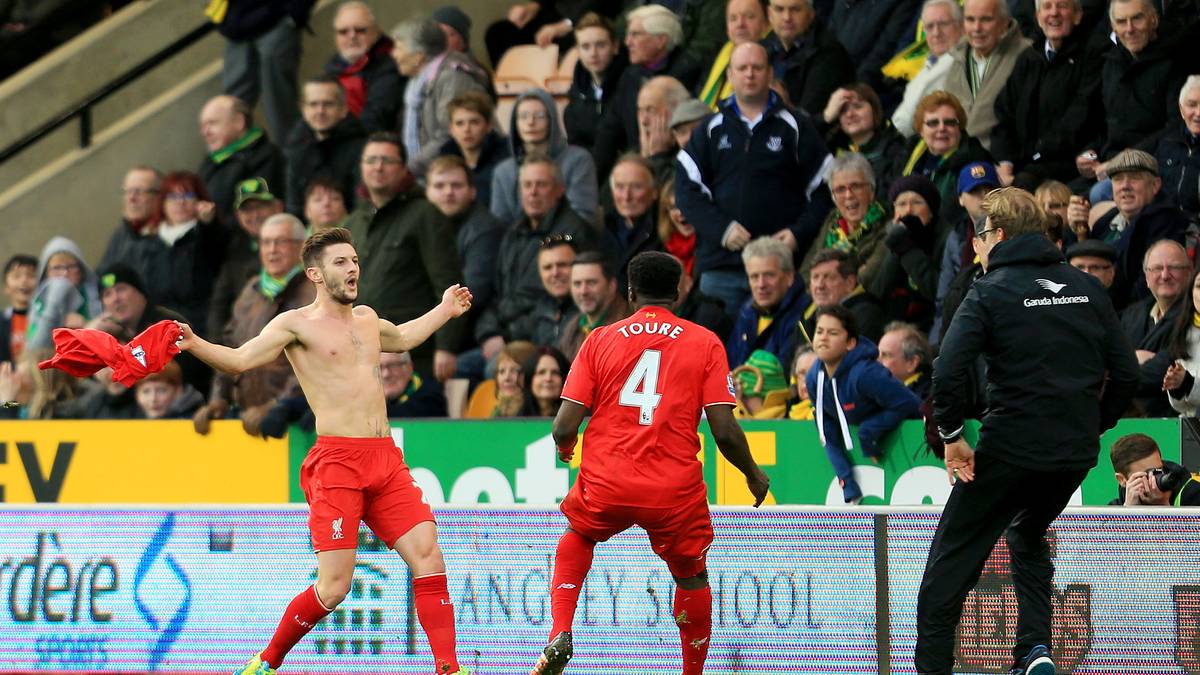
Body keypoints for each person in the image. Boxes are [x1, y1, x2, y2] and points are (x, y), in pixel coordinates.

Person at [178, 227, 473, 675]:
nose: (353, 269)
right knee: (334, 588)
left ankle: (450, 670)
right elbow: (239, 360)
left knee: (428, 555)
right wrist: (195, 343)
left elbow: (407, 337)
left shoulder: (368, 319)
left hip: (385, 461)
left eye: (354, 260)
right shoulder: (293, 324)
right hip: (337, 464)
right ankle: (266, 662)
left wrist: (446, 309)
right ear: (315, 273)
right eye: (341, 262)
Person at [919, 187, 1138, 675]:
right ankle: (1034, 651)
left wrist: (953, 437)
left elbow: (947, 371)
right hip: (1072, 456)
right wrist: (1092, 425)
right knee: (1029, 532)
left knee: (944, 577)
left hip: (1011, 448)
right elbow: (1126, 374)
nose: (974, 247)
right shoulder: (1087, 287)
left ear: (995, 235)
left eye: (977, 238)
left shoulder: (989, 290)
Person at [533, 250, 770, 675]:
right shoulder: (705, 342)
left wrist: (566, 447)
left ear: (629, 292)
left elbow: (564, 423)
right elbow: (724, 429)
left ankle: (560, 630)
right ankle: (691, 671)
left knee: (579, 534)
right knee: (691, 574)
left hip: (608, 479)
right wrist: (753, 475)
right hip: (672, 489)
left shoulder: (600, 339)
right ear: (677, 292)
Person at [676, 42, 833, 317]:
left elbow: (825, 186)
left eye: (757, 67)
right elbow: (686, 190)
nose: (750, 74)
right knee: (716, 354)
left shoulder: (795, 126)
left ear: (770, 73)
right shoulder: (710, 129)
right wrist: (722, 229)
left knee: (771, 355)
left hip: (778, 268)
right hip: (721, 268)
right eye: (742, 68)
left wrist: (798, 233)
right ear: (730, 76)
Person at [345, 132, 466, 381]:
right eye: (371, 160)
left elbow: (447, 282)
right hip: (359, 352)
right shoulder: (354, 221)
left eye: (387, 161)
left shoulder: (425, 215)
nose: (378, 167)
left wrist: (447, 347)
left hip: (414, 354)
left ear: (403, 169)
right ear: (361, 167)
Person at [194, 214, 316, 437]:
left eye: (281, 241)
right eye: (266, 242)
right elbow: (230, 346)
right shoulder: (251, 291)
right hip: (246, 418)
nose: (272, 249)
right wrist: (219, 399)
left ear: (302, 247)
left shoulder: (315, 292)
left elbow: (316, 360)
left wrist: (278, 405)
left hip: (295, 424)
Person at [808, 305, 921, 503]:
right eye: (819, 331)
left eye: (832, 333)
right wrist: (847, 481)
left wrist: (869, 431)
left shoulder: (866, 374)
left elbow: (911, 404)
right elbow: (826, 431)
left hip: (914, 450)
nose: (823, 338)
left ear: (850, 343)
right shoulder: (813, 378)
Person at [990, 0, 1102, 190]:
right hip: (1024, 163)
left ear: (1078, 15)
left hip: (1068, 163)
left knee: (1020, 190)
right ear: (1038, 17)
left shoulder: (1094, 53)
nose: (1054, 13)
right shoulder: (1030, 56)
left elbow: (1080, 118)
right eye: (1047, 7)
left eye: (1062, 6)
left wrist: (1036, 155)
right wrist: (1005, 163)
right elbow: (1004, 115)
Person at [390, 17, 490, 177]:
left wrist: (410, 169)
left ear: (419, 56)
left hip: (455, 175)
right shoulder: (417, 83)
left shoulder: (453, 78)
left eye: (398, 48)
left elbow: (449, 134)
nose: (393, 55)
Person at [1090, 149, 1189, 303]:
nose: (1125, 186)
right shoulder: (1105, 222)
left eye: (1134, 178)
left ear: (1155, 185)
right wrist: (1078, 234)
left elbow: (1147, 288)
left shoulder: (1166, 221)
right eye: (1118, 179)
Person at [490, 88, 600, 226]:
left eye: (540, 115)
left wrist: (546, 244)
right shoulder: (503, 171)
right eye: (523, 116)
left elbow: (583, 217)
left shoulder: (578, 160)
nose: (530, 122)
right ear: (515, 123)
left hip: (568, 242)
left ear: (552, 119)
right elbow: (500, 226)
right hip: (520, 246)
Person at [940, 0, 1032, 151]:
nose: (977, 28)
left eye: (986, 19)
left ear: (1004, 22)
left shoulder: (1027, 55)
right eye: (970, 19)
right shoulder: (956, 60)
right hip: (956, 157)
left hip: (1003, 160)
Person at [215, 0, 312, 141]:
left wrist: (296, 13)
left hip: (276, 21)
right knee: (228, 110)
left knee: (279, 108)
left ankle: (295, 159)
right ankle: (228, 161)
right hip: (236, 30)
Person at [901, 91, 994, 227]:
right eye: (933, 123)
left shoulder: (973, 162)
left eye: (950, 122)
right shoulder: (911, 153)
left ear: (960, 127)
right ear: (920, 129)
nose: (942, 128)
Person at [208, 177, 286, 340]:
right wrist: (217, 352)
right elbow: (219, 306)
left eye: (260, 206)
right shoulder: (235, 252)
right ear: (238, 216)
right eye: (247, 210)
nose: (255, 215)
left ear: (278, 207)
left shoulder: (297, 243)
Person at [283, 74, 367, 216]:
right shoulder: (294, 149)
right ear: (303, 110)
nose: (320, 111)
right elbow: (293, 207)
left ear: (344, 109)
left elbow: (361, 207)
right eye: (313, 104)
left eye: (328, 104)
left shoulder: (363, 149)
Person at [197, 94, 285, 224]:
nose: (205, 132)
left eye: (212, 123)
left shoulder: (266, 157)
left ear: (239, 122)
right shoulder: (210, 163)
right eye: (202, 126)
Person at [761, 0, 855, 117]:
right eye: (779, 9)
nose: (787, 17)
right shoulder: (762, 48)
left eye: (795, 10)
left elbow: (809, 118)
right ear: (769, 14)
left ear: (811, 13)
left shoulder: (829, 54)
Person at [728, 236, 807, 369]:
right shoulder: (746, 312)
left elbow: (784, 373)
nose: (761, 284)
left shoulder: (804, 315)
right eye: (754, 276)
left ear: (789, 276)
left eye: (769, 275)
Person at [323, 1, 401, 133]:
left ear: (376, 32)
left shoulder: (390, 65)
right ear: (335, 37)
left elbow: (375, 119)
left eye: (360, 30)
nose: (352, 36)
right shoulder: (331, 69)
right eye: (343, 32)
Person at [891, 0, 964, 137]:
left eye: (943, 24)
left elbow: (906, 123)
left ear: (960, 26)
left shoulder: (959, 61)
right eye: (930, 27)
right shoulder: (931, 62)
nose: (936, 33)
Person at [819, 84, 906, 197]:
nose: (850, 114)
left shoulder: (896, 149)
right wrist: (825, 118)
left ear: (874, 110)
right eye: (843, 110)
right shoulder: (832, 152)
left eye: (857, 106)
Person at [563, 12, 627, 153]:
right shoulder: (575, 98)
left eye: (601, 45)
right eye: (585, 47)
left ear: (615, 46)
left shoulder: (629, 86)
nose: (593, 53)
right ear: (578, 51)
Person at [25, 237, 101, 351]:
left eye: (71, 267)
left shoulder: (94, 295)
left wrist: (86, 326)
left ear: (81, 270)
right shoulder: (40, 302)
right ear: (46, 273)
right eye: (57, 268)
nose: (64, 273)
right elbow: (33, 347)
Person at [439, 92, 511, 207]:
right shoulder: (444, 158)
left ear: (488, 126)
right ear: (451, 129)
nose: (467, 129)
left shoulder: (505, 157)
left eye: (474, 122)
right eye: (459, 123)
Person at [557, 251, 631, 360]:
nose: (583, 291)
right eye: (577, 284)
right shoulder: (571, 328)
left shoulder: (628, 326)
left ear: (611, 286)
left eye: (591, 283)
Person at [697, 0, 768, 110]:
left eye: (749, 17)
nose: (740, 24)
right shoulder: (720, 54)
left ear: (765, 23)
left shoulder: (770, 57)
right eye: (733, 18)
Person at [99, 166, 163, 273]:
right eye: (127, 191)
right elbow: (104, 276)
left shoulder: (170, 237)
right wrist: (111, 286)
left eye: (139, 191)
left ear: (160, 197)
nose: (131, 198)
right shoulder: (123, 232)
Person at [1154, 76, 1200, 222]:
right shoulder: (1168, 141)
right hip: (1162, 222)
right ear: (1181, 109)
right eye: (1191, 105)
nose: (1198, 113)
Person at [1108, 433, 1200, 505]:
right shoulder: (1115, 509)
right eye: (1147, 474)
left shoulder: (1193, 495)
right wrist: (1128, 513)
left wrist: (1163, 506)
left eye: (1159, 470)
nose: (1156, 478)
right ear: (1122, 479)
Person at [877, 320, 933, 398]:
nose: (877, 361)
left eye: (886, 355)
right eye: (878, 354)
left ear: (911, 363)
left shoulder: (924, 401)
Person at [134, 360, 204, 420]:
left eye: (161, 390)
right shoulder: (126, 417)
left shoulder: (198, 417)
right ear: (136, 394)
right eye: (146, 391)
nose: (153, 399)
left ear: (178, 390)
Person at [0, 254, 36, 364]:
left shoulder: (49, 319)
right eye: (16, 276)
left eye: (31, 276)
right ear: (6, 287)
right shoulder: (1, 322)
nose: (24, 280)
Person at [518, 345, 571, 416]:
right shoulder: (512, 420)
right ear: (529, 380)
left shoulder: (580, 419)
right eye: (541, 372)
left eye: (555, 372)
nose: (548, 378)